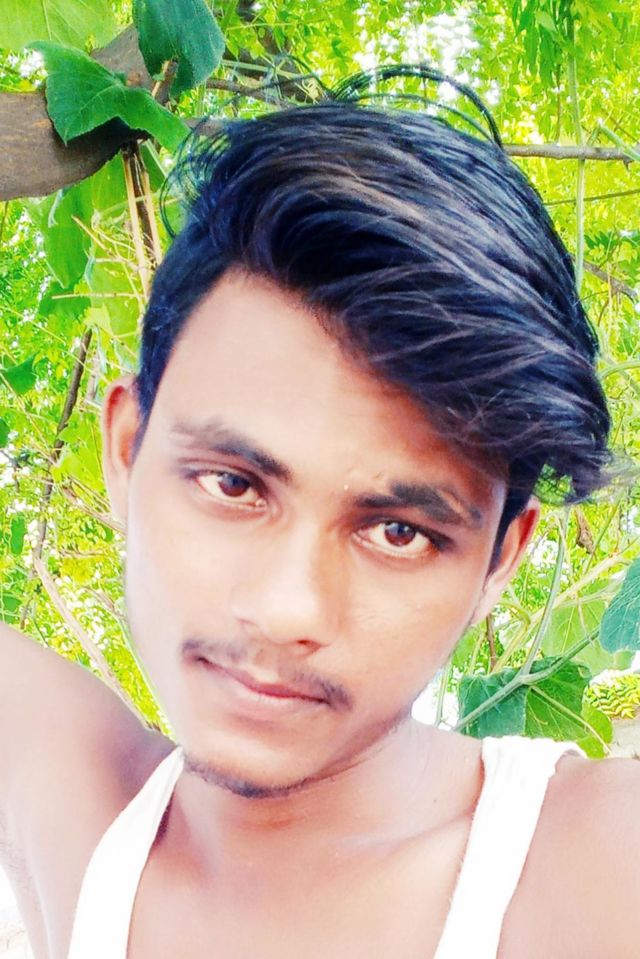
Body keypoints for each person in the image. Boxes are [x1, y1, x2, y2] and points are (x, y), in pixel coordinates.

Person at [1, 98, 639, 959]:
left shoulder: (598, 870)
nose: (287, 606)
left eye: (399, 533)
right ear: (125, 451)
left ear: (500, 560)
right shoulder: (74, 800)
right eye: (233, 484)